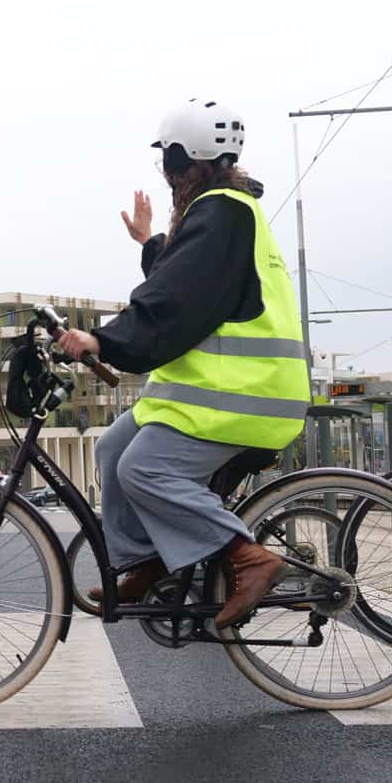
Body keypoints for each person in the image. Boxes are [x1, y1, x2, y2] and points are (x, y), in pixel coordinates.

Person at [56, 99, 310, 629]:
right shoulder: (220, 212)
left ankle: (249, 559)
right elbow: (185, 276)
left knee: (144, 468)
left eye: (168, 163)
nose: (166, 176)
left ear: (181, 159)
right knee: (113, 448)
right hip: (216, 393)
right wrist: (150, 242)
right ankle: (149, 560)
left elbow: (176, 300)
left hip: (243, 395)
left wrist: (103, 340)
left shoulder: (222, 211)